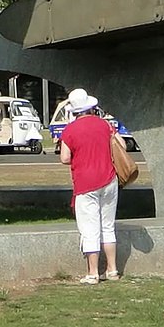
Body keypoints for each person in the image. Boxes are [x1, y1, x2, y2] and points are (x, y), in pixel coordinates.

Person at [58, 88, 123, 284]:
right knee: (108, 226)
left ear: (74, 111)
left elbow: (64, 158)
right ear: (91, 107)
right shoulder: (105, 125)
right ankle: (112, 270)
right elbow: (122, 145)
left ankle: (93, 273)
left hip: (86, 183)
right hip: (110, 179)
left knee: (89, 229)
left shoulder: (69, 130)